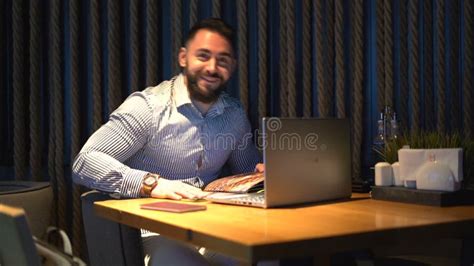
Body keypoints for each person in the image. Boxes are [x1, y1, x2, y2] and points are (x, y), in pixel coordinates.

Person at [73, 18, 265, 265]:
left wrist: (263, 175)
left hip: (214, 226)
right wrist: (151, 183)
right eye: (203, 56)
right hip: (152, 231)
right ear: (183, 58)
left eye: (223, 60)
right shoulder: (147, 108)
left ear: (232, 66)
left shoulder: (234, 114)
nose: (212, 67)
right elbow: (84, 162)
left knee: (264, 259)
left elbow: (247, 172)